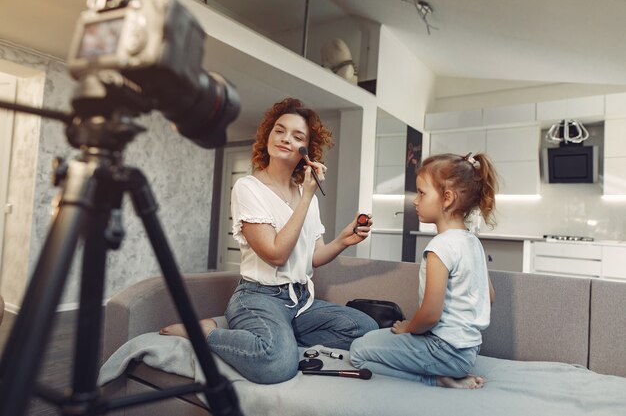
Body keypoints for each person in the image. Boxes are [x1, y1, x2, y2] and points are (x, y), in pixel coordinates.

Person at [160, 97, 378, 384]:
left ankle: (279, 336)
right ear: (268, 135)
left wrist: (343, 241)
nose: (286, 138)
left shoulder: (306, 192)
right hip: (259, 297)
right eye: (279, 130)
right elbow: (275, 254)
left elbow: (313, 257)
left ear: (307, 152)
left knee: (366, 328)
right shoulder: (248, 188)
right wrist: (307, 197)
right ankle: (206, 331)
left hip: (301, 300)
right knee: (277, 365)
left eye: (297, 136)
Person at [350, 152, 497, 389]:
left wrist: (408, 327)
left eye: (421, 193)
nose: (415, 200)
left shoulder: (440, 247)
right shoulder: (473, 242)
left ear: (447, 198)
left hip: (442, 351)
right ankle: (447, 372)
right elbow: (489, 297)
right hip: (468, 352)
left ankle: (437, 379)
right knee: (370, 339)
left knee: (358, 351)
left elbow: (430, 314)